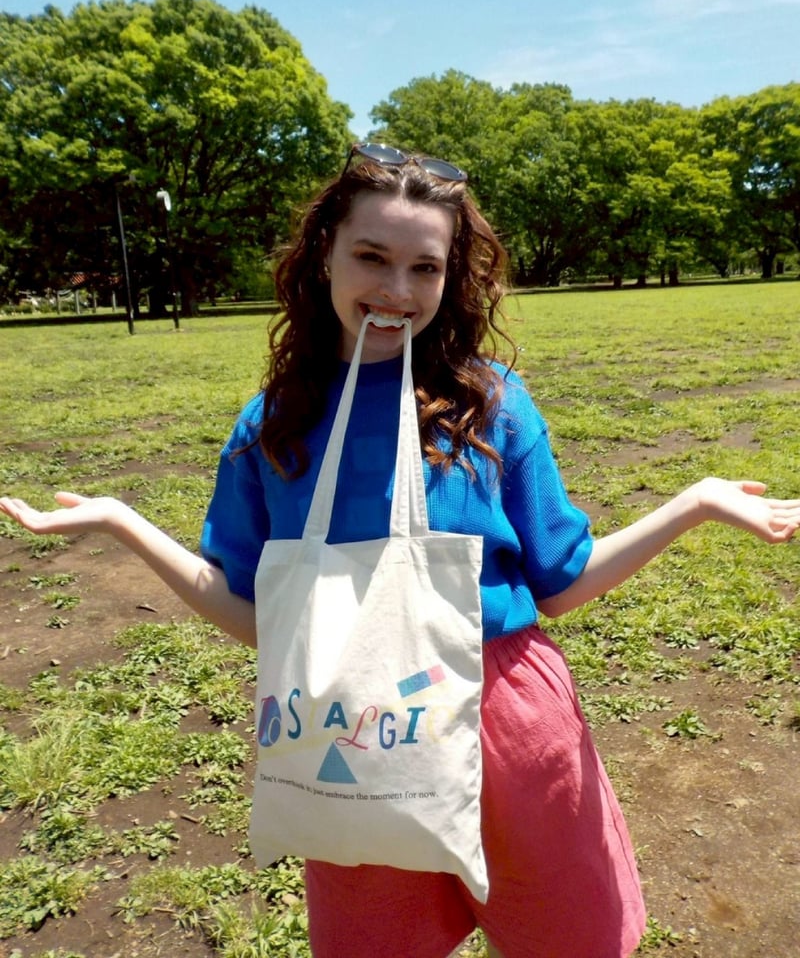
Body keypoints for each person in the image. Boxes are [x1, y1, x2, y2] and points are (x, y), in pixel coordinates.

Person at [2, 142, 799, 958]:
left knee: (571, 938)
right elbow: (257, 615)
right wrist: (122, 523)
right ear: (325, 254)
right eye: (372, 257)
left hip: (512, 726)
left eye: (426, 267)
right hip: (350, 734)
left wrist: (693, 503)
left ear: (453, 276)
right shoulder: (271, 426)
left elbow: (559, 580)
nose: (396, 290)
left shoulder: (491, 406)